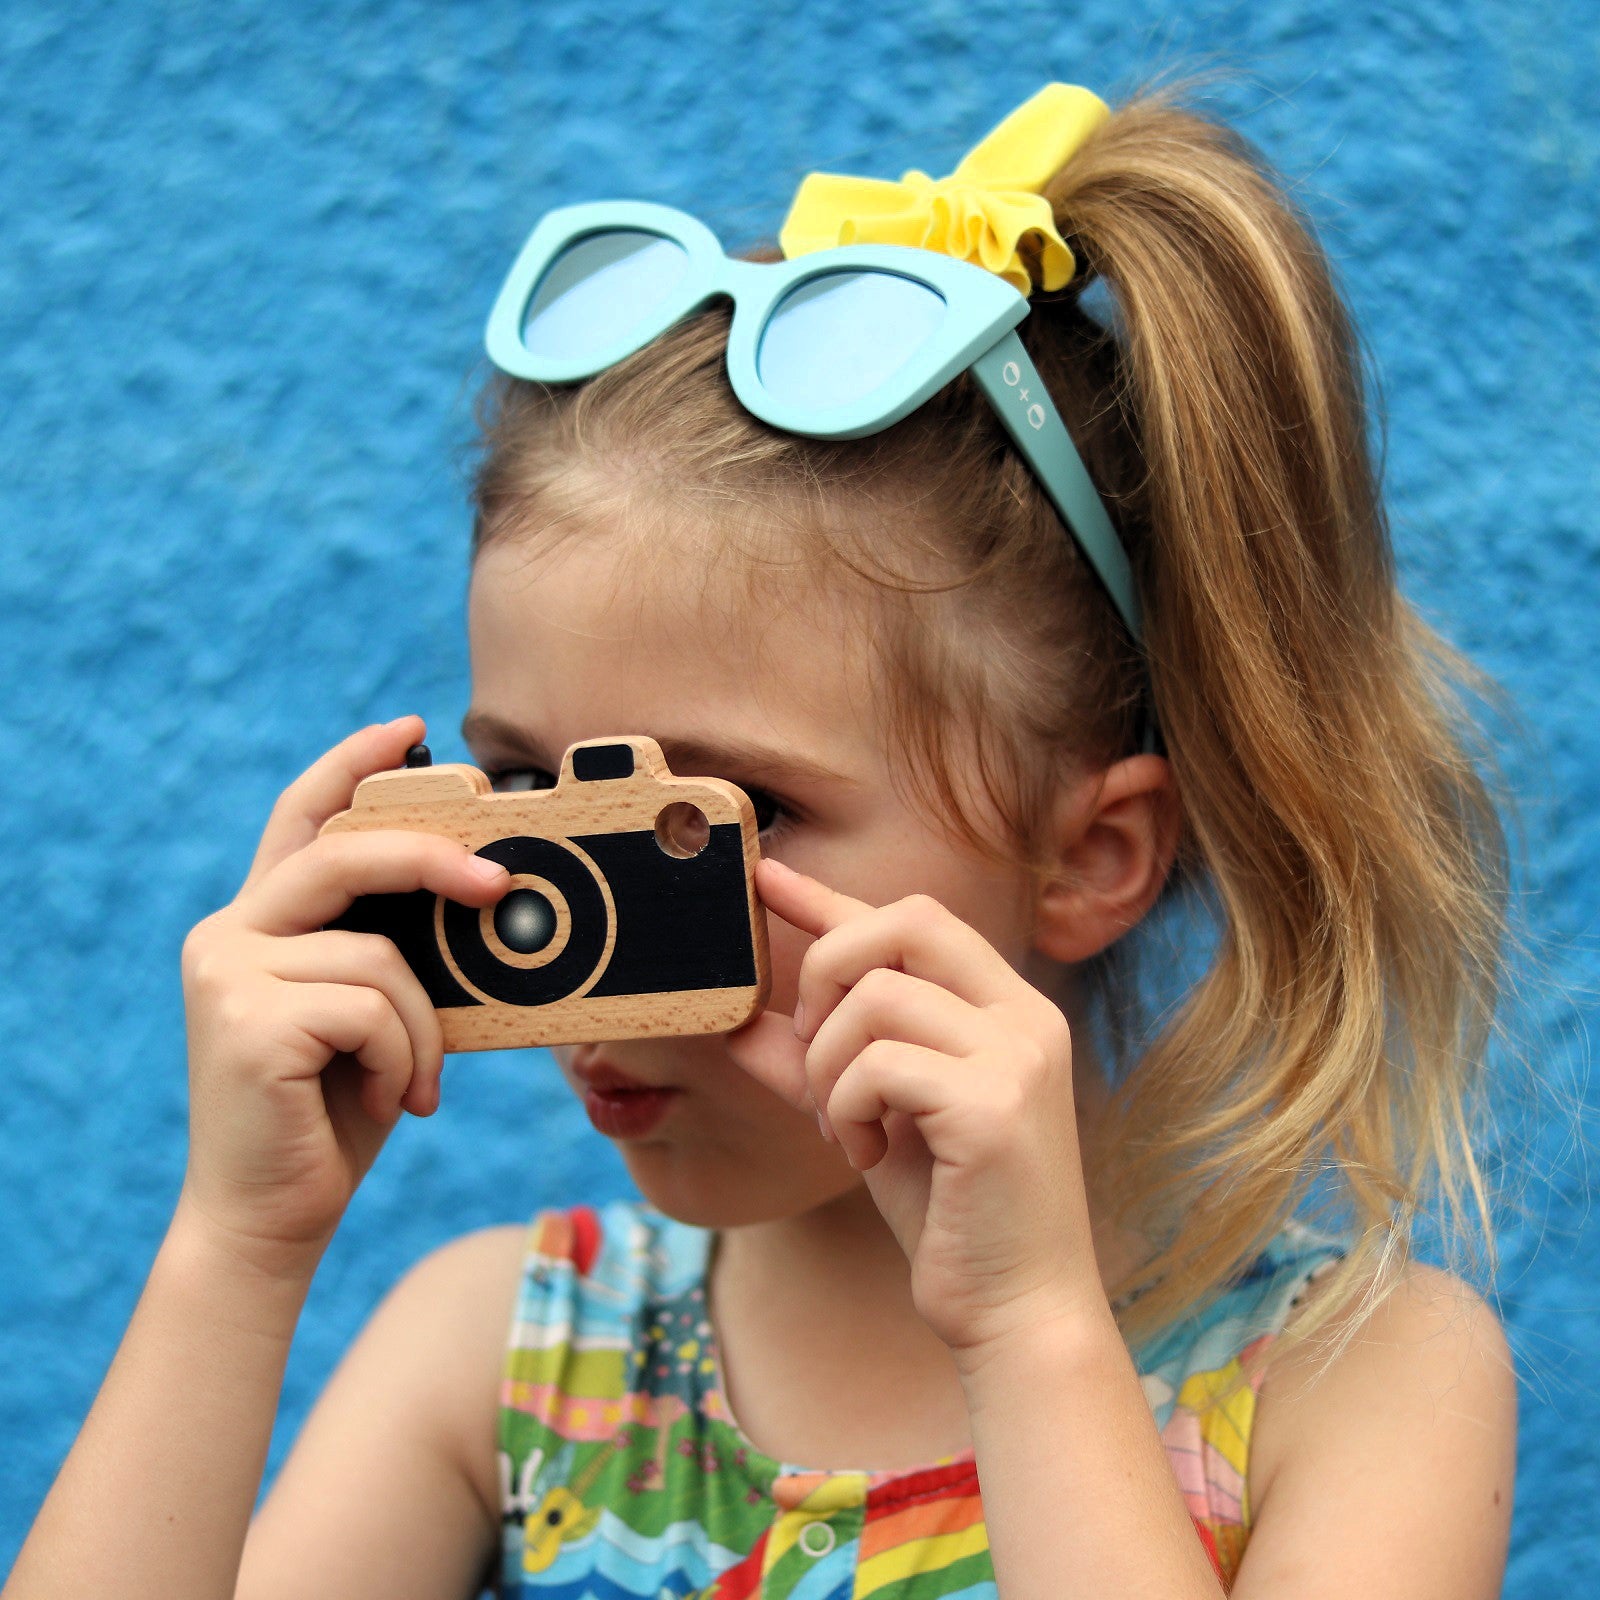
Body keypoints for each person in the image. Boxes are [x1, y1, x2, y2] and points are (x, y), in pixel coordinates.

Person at [4, 79, 1518, 1600]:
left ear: (1091, 857)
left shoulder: (1354, 1386)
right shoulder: (504, 1357)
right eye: (527, 796)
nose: (577, 940)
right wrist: (235, 1250)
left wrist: (1033, 1337)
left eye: (724, 819)